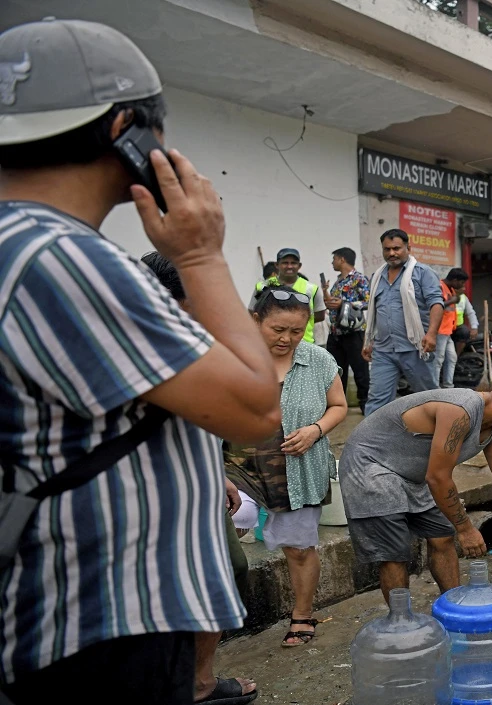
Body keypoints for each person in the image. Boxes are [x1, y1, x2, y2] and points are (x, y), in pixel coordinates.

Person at [0, 19, 280, 704]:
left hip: (70, 618)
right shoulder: (59, 257)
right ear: (129, 128)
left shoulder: (22, 243)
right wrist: (201, 254)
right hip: (101, 627)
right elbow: (254, 410)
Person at [140, 253, 258, 705]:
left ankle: (199, 680)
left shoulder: (195, 340)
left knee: (230, 570)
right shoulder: (134, 345)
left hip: (202, 481)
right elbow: (258, 413)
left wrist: (219, 474)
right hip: (152, 494)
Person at [339, 375, 492, 600]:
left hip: (414, 475)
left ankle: (453, 606)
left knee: (443, 535)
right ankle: (401, 624)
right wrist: (466, 529)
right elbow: (438, 477)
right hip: (371, 465)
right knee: (395, 552)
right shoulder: (460, 410)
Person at [227, 287, 348, 648]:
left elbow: (339, 406)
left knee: (298, 548)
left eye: (296, 331)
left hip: (297, 469)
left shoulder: (318, 360)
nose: (287, 339)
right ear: (255, 321)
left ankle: (301, 615)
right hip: (237, 467)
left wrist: (315, 431)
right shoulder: (232, 359)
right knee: (226, 526)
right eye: (278, 329)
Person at [362, 229, 445, 413]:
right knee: (377, 399)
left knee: (428, 398)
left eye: (397, 248)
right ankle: (372, 441)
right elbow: (375, 311)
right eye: (387, 249)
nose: (392, 253)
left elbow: (436, 303)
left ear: (408, 247)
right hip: (384, 350)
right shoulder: (377, 277)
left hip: (416, 348)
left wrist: (431, 334)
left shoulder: (423, 273)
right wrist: (368, 342)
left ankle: (437, 437)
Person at [325, 247, 371, 414]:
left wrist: (345, 304)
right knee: (335, 372)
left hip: (354, 333)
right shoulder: (337, 283)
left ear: (342, 259)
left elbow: (369, 301)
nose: (332, 263)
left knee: (360, 370)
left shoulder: (359, 279)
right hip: (336, 334)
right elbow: (333, 302)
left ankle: (365, 404)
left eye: (334, 259)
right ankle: (338, 406)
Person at [253, 248, 325, 344]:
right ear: (277, 265)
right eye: (285, 263)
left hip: (303, 344)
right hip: (270, 343)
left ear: (299, 266)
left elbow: (320, 315)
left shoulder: (311, 289)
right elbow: (252, 312)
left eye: (293, 263)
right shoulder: (262, 287)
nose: (289, 266)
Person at [434, 268, 470, 389]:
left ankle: (448, 386)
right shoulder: (439, 286)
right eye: (462, 282)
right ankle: (433, 387)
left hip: (447, 331)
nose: (462, 285)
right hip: (439, 330)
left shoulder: (451, 289)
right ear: (455, 280)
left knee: (452, 357)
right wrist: (452, 301)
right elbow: (436, 306)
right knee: (438, 359)